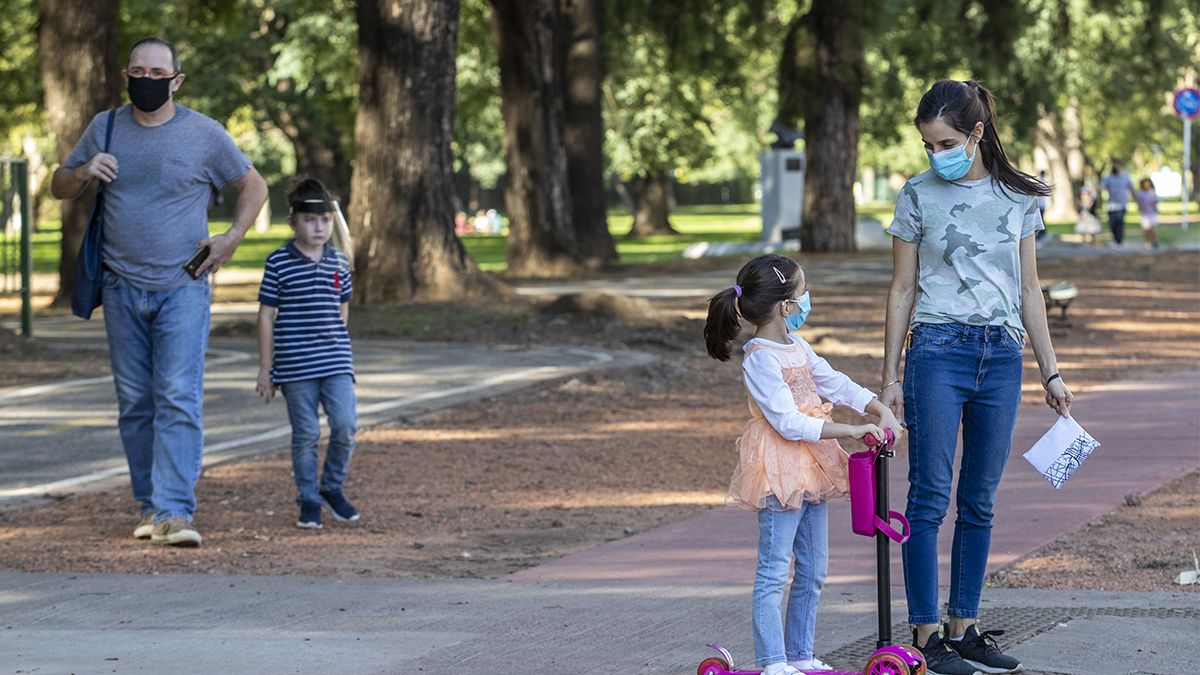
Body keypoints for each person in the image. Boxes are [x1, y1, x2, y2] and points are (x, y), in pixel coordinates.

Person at [882, 80, 1072, 675]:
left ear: (977, 134)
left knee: (980, 500)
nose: (935, 154)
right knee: (930, 496)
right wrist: (889, 377)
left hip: (1002, 356)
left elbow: (1030, 291)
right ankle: (925, 634)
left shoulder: (1019, 197)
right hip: (936, 352)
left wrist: (1052, 371)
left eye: (944, 142)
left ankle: (965, 627)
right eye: (926, 144)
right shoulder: (917, 195)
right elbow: (902, 289)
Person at [50, 37, 268, 547]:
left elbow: (252, 187)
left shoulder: (204, 134)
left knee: (177, 396)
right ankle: (150, 505)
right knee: (135, 402)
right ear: (126, 74)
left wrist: (230, 240)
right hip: (120, 284)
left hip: (183, 286)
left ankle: (175, 510)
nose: (147, 80)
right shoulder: (105, 127)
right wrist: (82, 171)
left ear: (177, 79)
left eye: (158, 73)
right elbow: (59, 186)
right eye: (138, 72)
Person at [705, 254, 902, 675]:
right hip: (779, 468)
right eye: (802, 292)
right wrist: (848, 431)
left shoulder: (797, 346)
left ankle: (798, 653)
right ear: (785, 306)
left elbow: (833, 381)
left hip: (813, 465)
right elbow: (787, 422)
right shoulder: (760, 357)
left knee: (813, 569)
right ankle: (773, 661)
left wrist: (874, 407)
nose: (807, 299)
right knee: (775, 569)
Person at [256, 178, 360, 530]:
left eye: (325, 220)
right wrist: (266, 369)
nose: (319, 227)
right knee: (306, 435)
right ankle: (309, 499)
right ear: (293, 222)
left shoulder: (338, 262)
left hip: (335, 361)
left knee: (345, 425)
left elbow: (343, 309)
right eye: (310, 220)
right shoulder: (279, 263)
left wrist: (336, 343)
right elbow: (267, 315)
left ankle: (331, 486)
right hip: (295, 365)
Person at [1099, 159, 1135, 246]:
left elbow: (1131, 189)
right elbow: (1101, 186)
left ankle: (1119, 241)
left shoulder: (1126, 177)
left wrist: (1137, 200)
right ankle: (1115, 238)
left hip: (1122, 204)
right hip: (1112, 204)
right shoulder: (1108, 178)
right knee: (1112, 223)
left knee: (1120, 222)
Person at [1135, 178, 1160, 249]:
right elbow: (1138, 202)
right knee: (1146, 229)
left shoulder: (1152, 192)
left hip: (1153, 213)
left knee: (1153, 228)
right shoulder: (1140, 193)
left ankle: (1155, 240)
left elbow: (1156, 201)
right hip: (1144, 213)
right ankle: (1147, 242)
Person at [1035, 171, 1049, 242]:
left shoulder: (1040, 182)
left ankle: (1042, 231)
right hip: (1042, 204)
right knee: (1041, 218)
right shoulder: (1045, 181)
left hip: (1040, 204)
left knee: (1041, 218)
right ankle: (1042, 231)